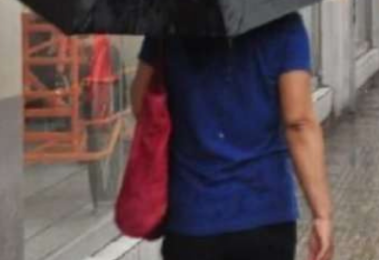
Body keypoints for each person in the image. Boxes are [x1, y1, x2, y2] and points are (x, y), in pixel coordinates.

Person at [130, 14, 333, 260]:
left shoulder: (168, 25)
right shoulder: (285, 25)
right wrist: (321, 215)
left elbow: (141, 104)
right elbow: (298, 122)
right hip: (265, 214)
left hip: (192, 217)